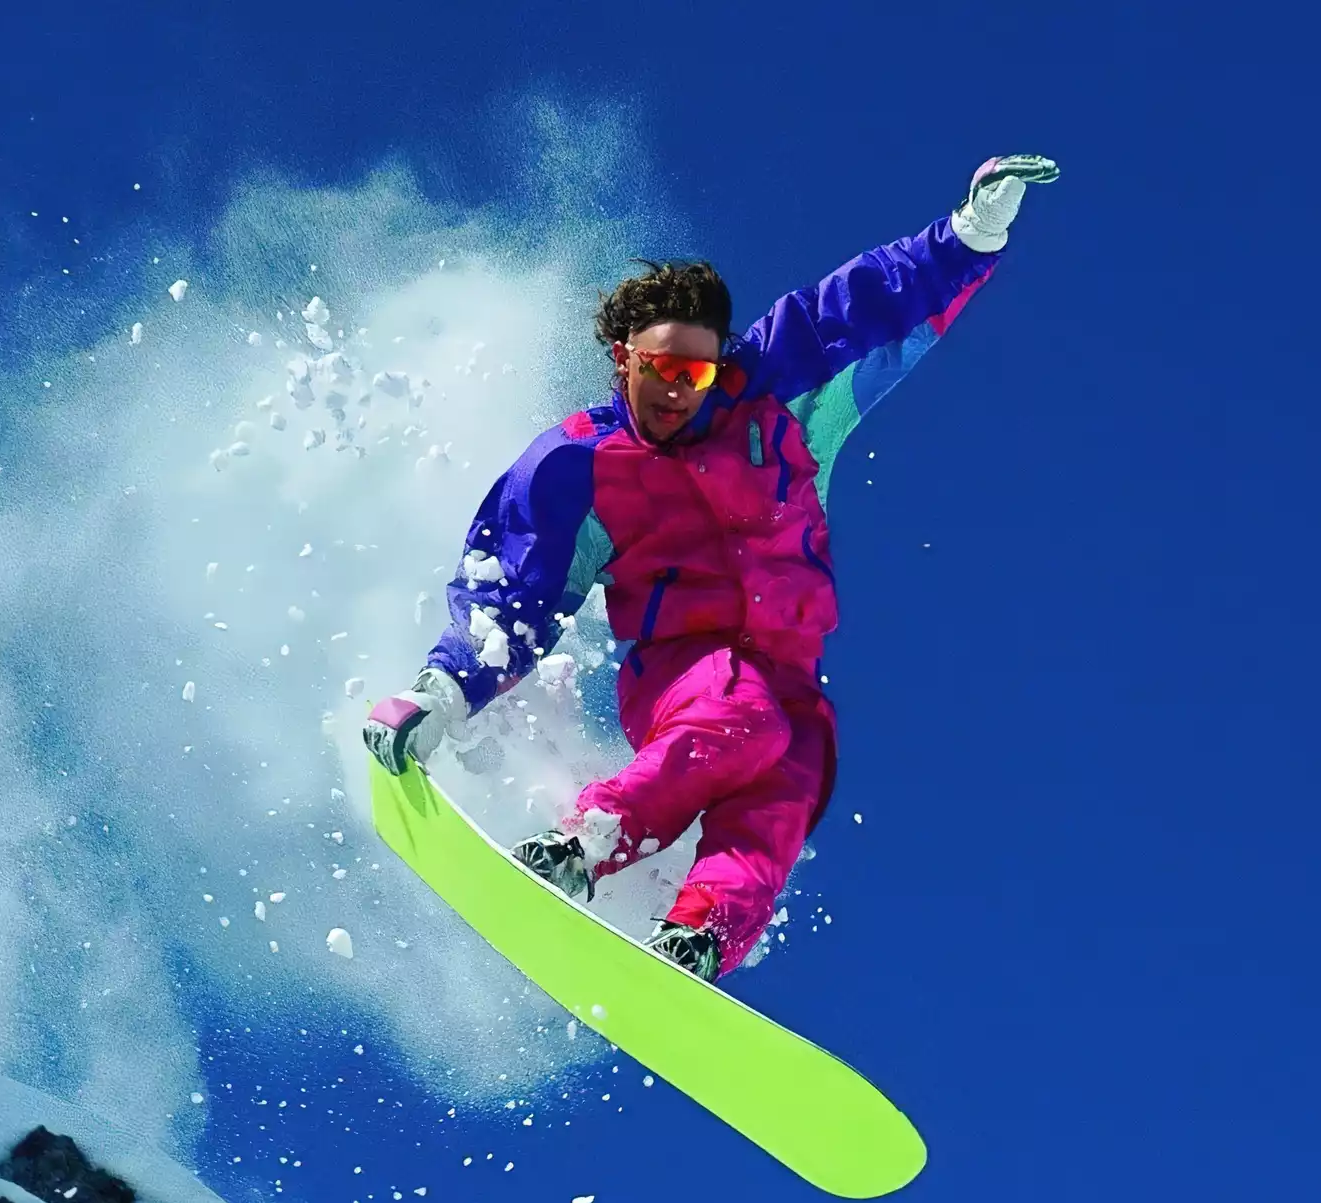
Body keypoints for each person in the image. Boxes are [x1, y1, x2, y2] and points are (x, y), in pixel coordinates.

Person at [365, 154, 1060, 982]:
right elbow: (516, 588)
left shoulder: (775, 400)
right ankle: (585, 842)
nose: (678, 392)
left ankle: (700, 935)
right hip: (681, 671)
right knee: (745, 713)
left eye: (696, 372)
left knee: (794, 773)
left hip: (787, 667)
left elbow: (868, 305)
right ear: (624, 358)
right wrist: (443, 693)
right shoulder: (582, 464)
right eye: (660, 369)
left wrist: (970, 235)